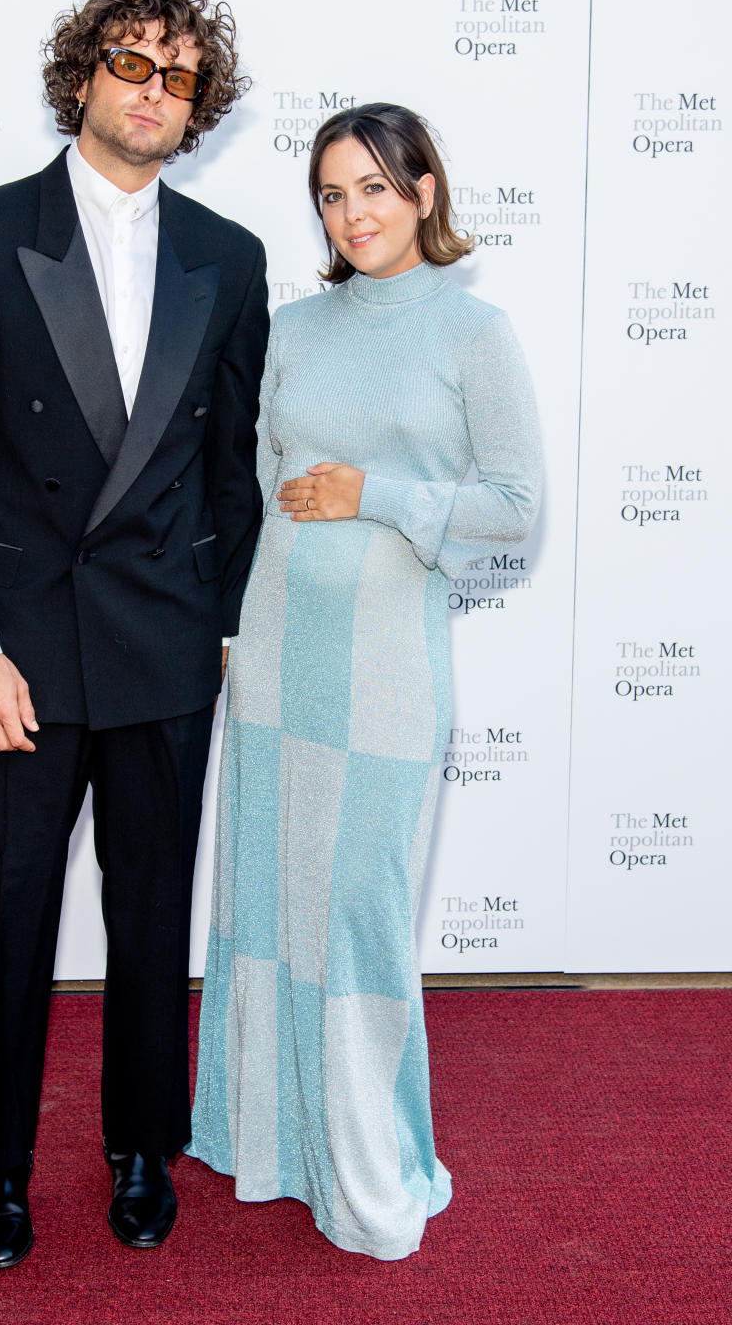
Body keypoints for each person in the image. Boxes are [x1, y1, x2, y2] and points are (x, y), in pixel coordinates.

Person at [0, 0, 268, 1265]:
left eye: (180, 75)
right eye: (133, 63)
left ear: (197, 104)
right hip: (22, 648)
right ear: (83, 76)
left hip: (165, 641)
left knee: (153, 908)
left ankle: (136, 1148)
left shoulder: (232, 258)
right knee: (3, 907)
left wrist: (222, 626)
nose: (154, 90)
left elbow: (233, 469)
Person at [189, 103, 541, 1259]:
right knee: (267, 906)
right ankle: (275, 1146)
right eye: (334, 195)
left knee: (357, 917)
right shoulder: (295, 324)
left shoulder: (473, 333)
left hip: (389, 662)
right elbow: (253, 483)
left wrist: (376, 493)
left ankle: (370, 1168)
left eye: (376, 188)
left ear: (426, 191)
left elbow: (516, 513)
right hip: (278, 654)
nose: (354, 213)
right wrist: (231, 630)